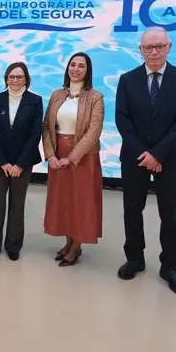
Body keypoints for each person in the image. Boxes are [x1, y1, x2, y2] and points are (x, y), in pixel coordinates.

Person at [115, 26, 176, 296]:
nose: (154, 52)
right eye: (148, 47)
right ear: (140, 50)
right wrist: (145, 155)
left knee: (170, 214)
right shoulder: (127, 80)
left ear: (169, 47)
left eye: (159, 46)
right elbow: (123, 121)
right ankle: (134, 259)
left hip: (169, 159)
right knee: (131, 209)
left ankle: (170, 267)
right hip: (135, 157)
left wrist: (157, 155)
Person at [42, 52, 104, 266]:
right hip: (58, 155)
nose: (76, 69)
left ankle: (76, 247)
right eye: (73, 65)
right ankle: (68, 242)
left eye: (81, 66)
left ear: (88, 71)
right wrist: (50, 155)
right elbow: (46, 126)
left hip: (83, 157)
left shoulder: (96, 97)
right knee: (63, 201)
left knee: (81, 202)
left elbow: (94, 131)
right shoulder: (56, 95)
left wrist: (71, 157)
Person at [0, 62, 43, 261]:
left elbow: (35, 135)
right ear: (6, 79)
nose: (15, 80)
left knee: (17, 205)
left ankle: (13, 245)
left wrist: (19, 164)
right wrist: (3, 163)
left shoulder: (35, 101)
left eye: (19, 76)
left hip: (22, 164)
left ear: (26, 79)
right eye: (11, 76)